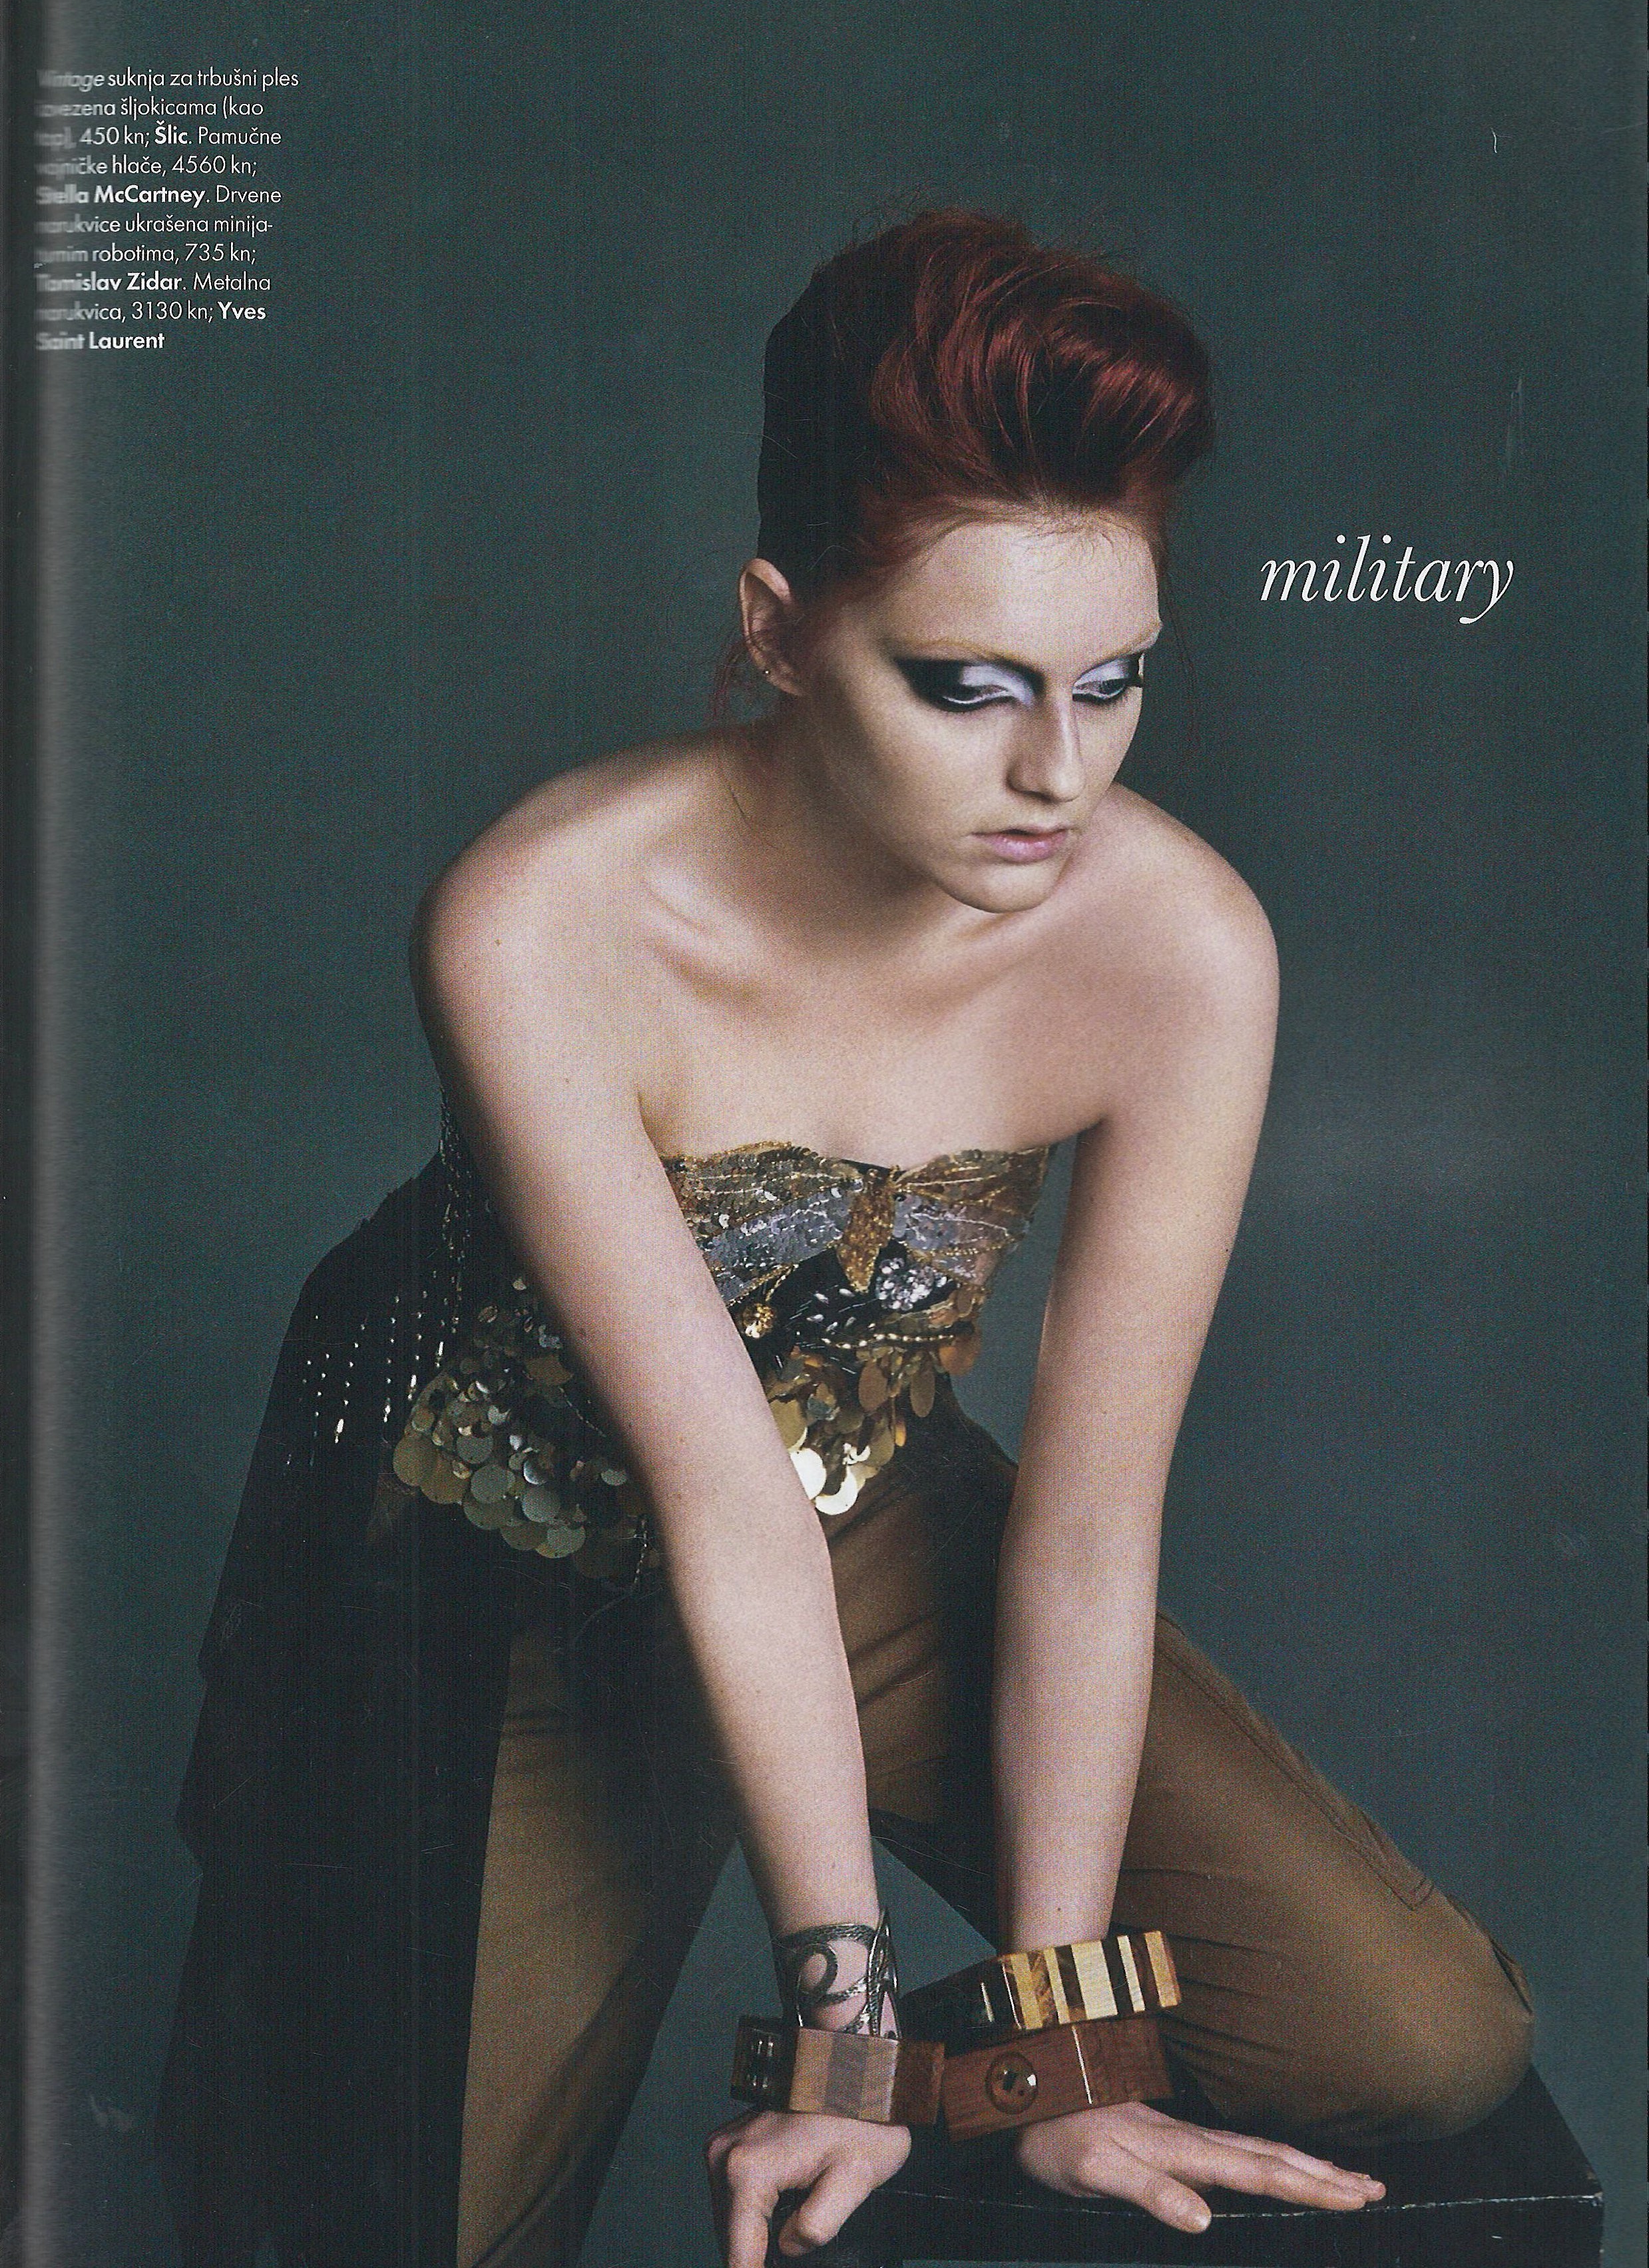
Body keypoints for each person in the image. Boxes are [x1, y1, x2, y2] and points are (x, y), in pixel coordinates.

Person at [156, 209, 1533, 2268]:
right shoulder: (545, 919)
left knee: (1420, 2034)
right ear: (784, 632)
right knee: (399, 2233)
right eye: (966, 688)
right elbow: (714, 1506)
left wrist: (1054, 2047)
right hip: (493, 1552)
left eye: (1113, 683)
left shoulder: (1179, 946)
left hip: (859, 1509)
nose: (1056, 773)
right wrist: (844, 2028)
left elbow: (1088, 1522)